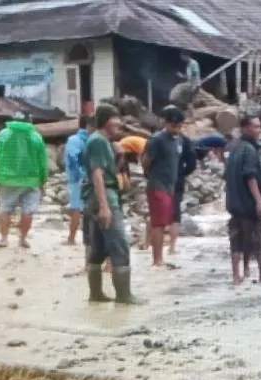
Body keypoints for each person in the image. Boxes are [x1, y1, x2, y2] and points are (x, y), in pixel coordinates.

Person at [82, 103, 142, 304]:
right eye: (115, 118)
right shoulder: (98, 141)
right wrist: (105, 206)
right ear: (105, 120)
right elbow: (97, 174)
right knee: (119, 244)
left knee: (99, 248)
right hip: (104, 196)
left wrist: (119, 156)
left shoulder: (103, 141)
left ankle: (95, 294)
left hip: (95, 197)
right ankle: (124, 296)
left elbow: (108, 171)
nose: (119, 123)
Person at [0, 112, 48, 249]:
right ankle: (22, 239)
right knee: (28, 210)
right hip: (31, 179)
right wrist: (43, 179)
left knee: (5, 209)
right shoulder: (35, 136)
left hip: (7, 178)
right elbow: (42, 160)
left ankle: (4, 239)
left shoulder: (3, 134)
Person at [225, 114, 261, 285]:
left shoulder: (233, 147)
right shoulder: (250, 150)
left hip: (233, 203)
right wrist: (259, 202)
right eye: (256, 127)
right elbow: (250, 177)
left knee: (236, 240)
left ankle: (237, 276)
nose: (260, 130)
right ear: (246, 128)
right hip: (248, 204)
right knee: (256, 238)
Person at [142, 106, 184, 267]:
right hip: (157, 185)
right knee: (158, 223)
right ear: (165, 123)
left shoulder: (178, 140)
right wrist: (149, 174)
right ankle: (157, 259)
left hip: (170, 187)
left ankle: (159, 257)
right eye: (174, 125)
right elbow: (145, 159)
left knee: (164, 222)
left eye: (180, 126)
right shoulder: (157, 139)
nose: (177, 129)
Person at [63, 115, 95, 245]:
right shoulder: (94, 139)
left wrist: (77, 175)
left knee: (75, 207)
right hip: (92, 177)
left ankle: (71, 237)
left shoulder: (74, 139)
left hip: (77, 179)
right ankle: (89, 238)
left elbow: (72, 157)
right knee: (90, 208)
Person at [170, 124, 198, 256]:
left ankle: (147, 244)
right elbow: (192, 163)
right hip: (177, 180)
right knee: (175, 213)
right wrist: (182, 173)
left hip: (159, 180)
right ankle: (171, 247)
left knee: (156, 212)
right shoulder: (185, 141)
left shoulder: (158, 138)